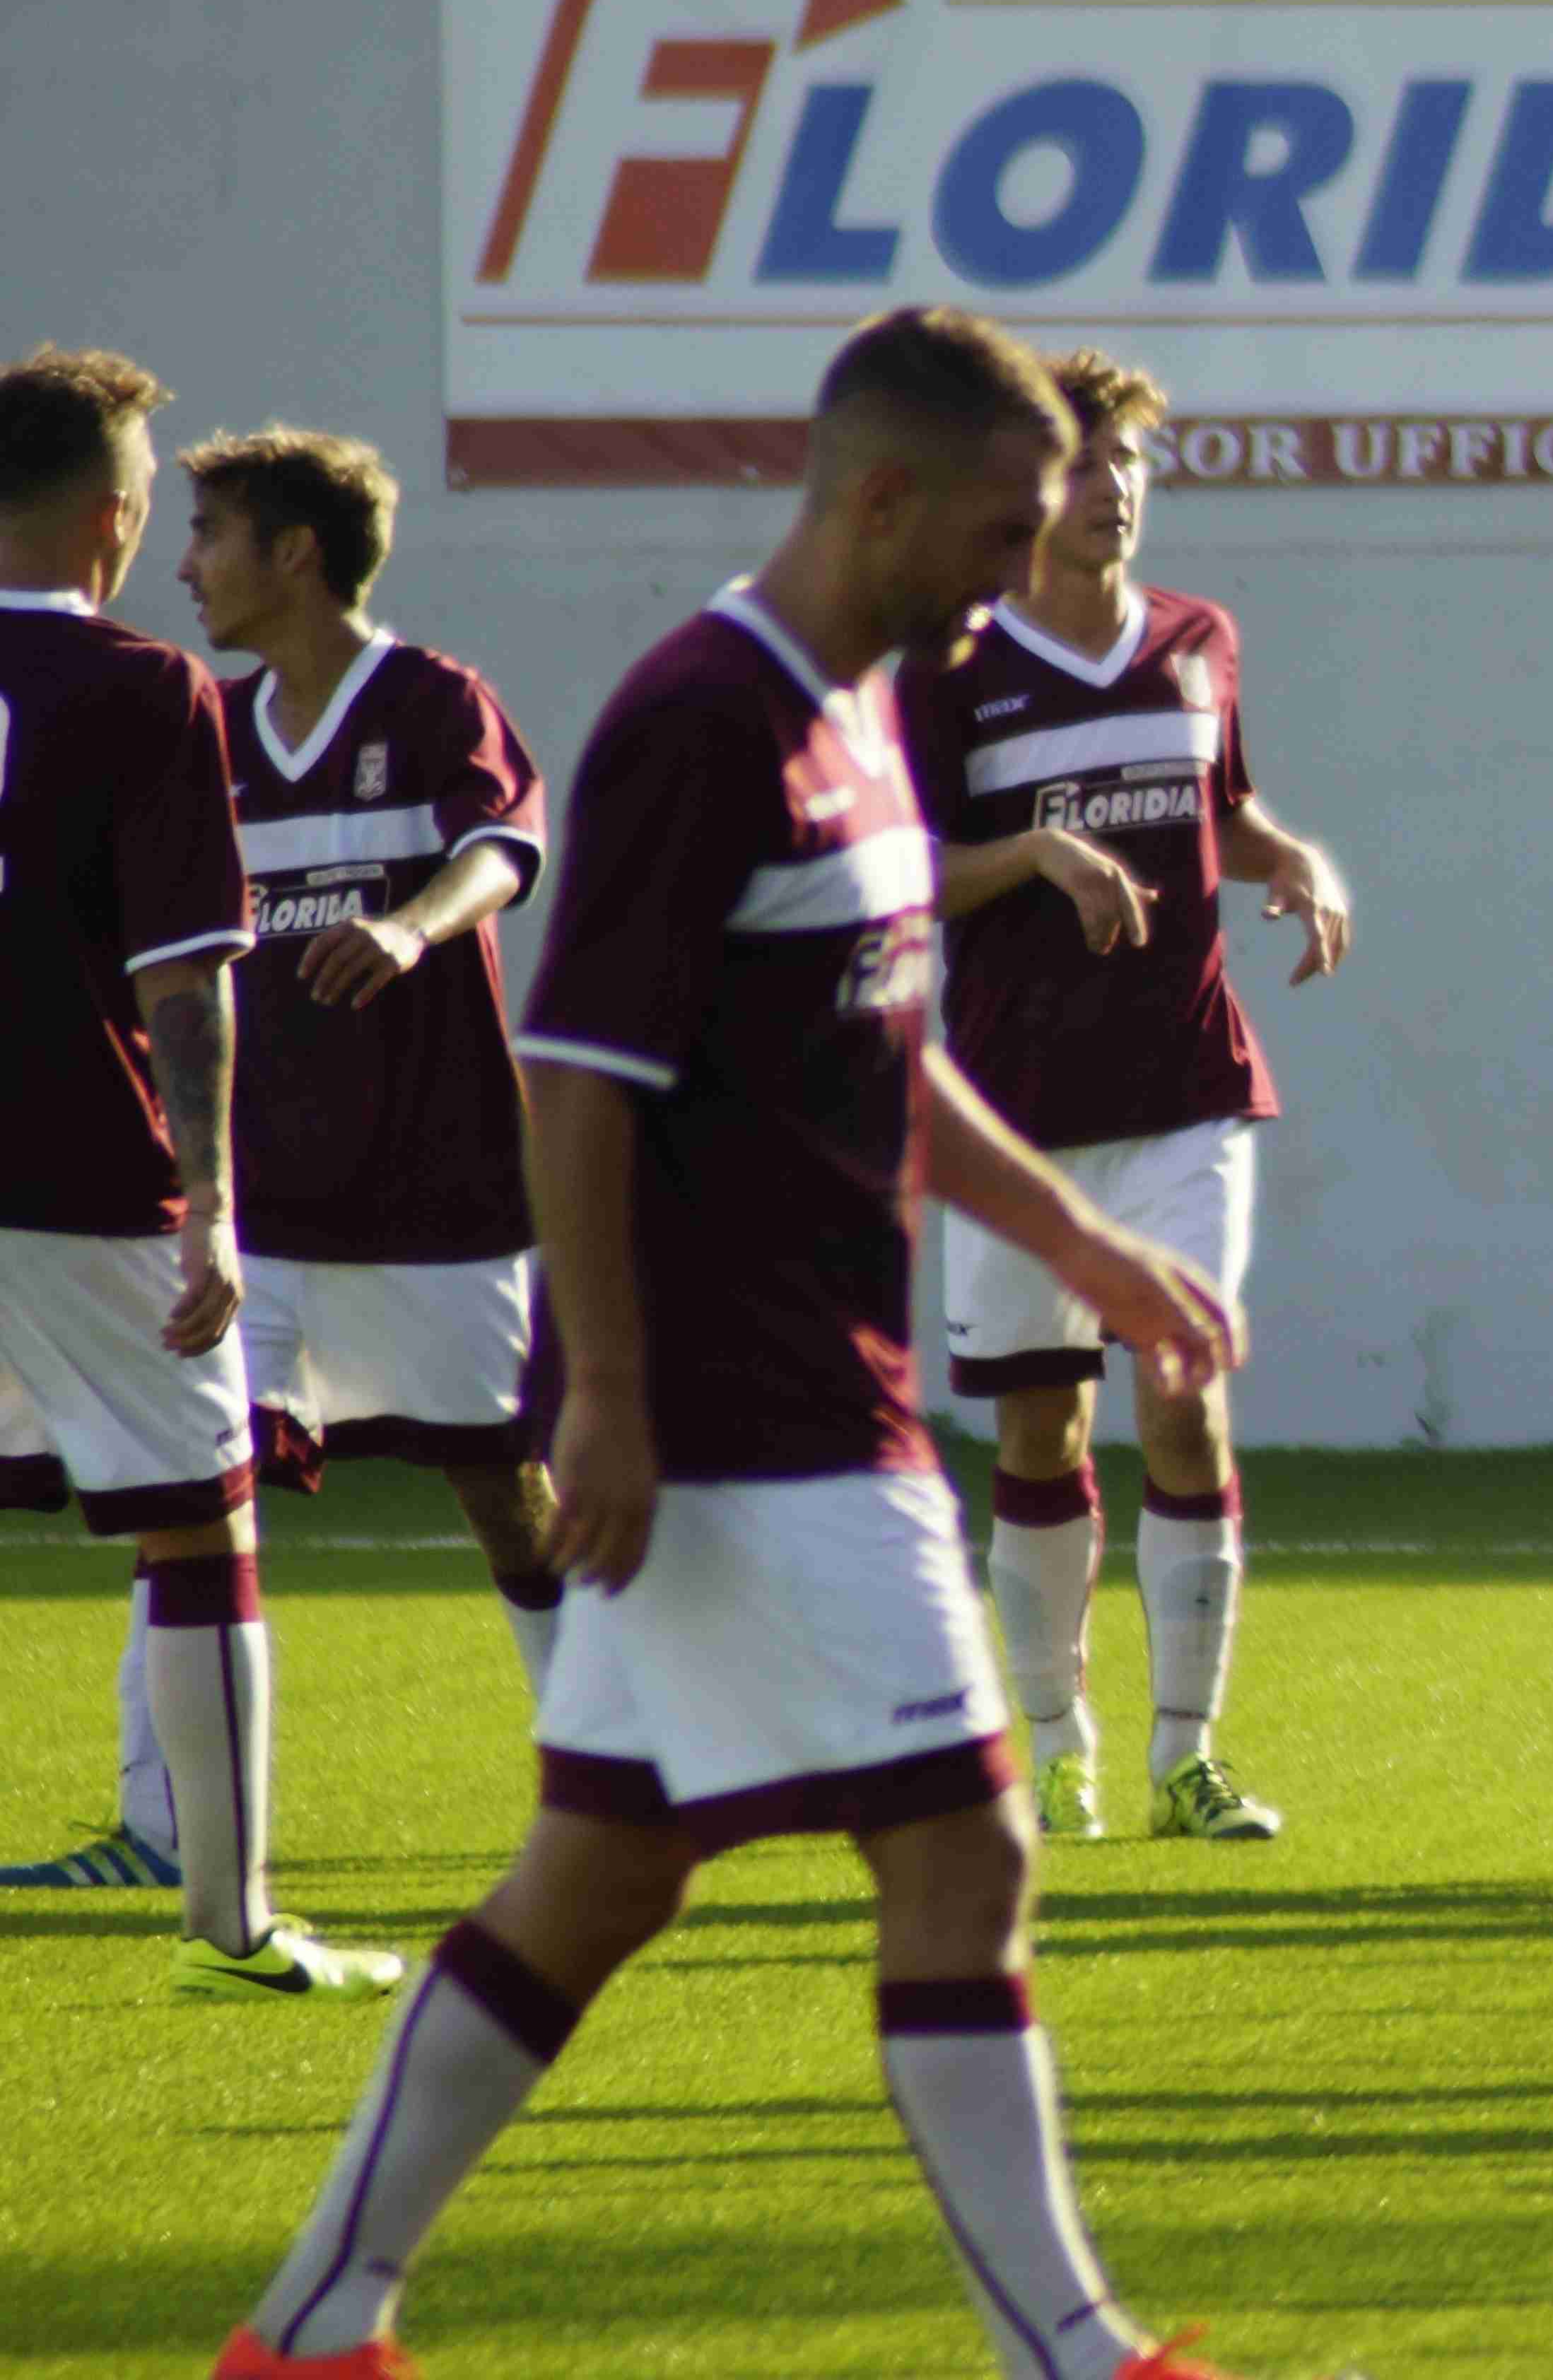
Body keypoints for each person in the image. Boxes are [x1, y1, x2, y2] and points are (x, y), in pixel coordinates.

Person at [213, 309, 1261, 2380]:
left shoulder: (872, 707)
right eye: (1000, 524)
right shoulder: (706, 717)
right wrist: (600, 1396)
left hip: (797, 1395)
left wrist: (1087, 1249)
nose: (1019, 569)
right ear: (878, 496)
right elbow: (581, 1081)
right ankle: (1073, 2346)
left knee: (595, 1882)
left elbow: (887, 1048)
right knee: (967, 1846)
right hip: (743, 1422)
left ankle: (316, 2323)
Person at [906, 348, 1352, 1848]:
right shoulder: (948, 663)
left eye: (1135, 466)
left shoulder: (1198, 637)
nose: (1118, 491)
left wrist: (1288, 853)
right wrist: (1034, 851)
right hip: (1013, 1114)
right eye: (1090, 466)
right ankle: (1055, 1745)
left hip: (1186, 1090)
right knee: (1038, 1435)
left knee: (1183, 1395)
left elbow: (1216, 807)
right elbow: (898, 873)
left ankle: (1188, 1754)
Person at [0, 348, 398, 1998]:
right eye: (154, 486)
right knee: (201, 1525)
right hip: (75, 1168)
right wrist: (217, 1202)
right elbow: (186, 979)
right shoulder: (148, 688)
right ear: (112, 510)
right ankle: (231, 1927)